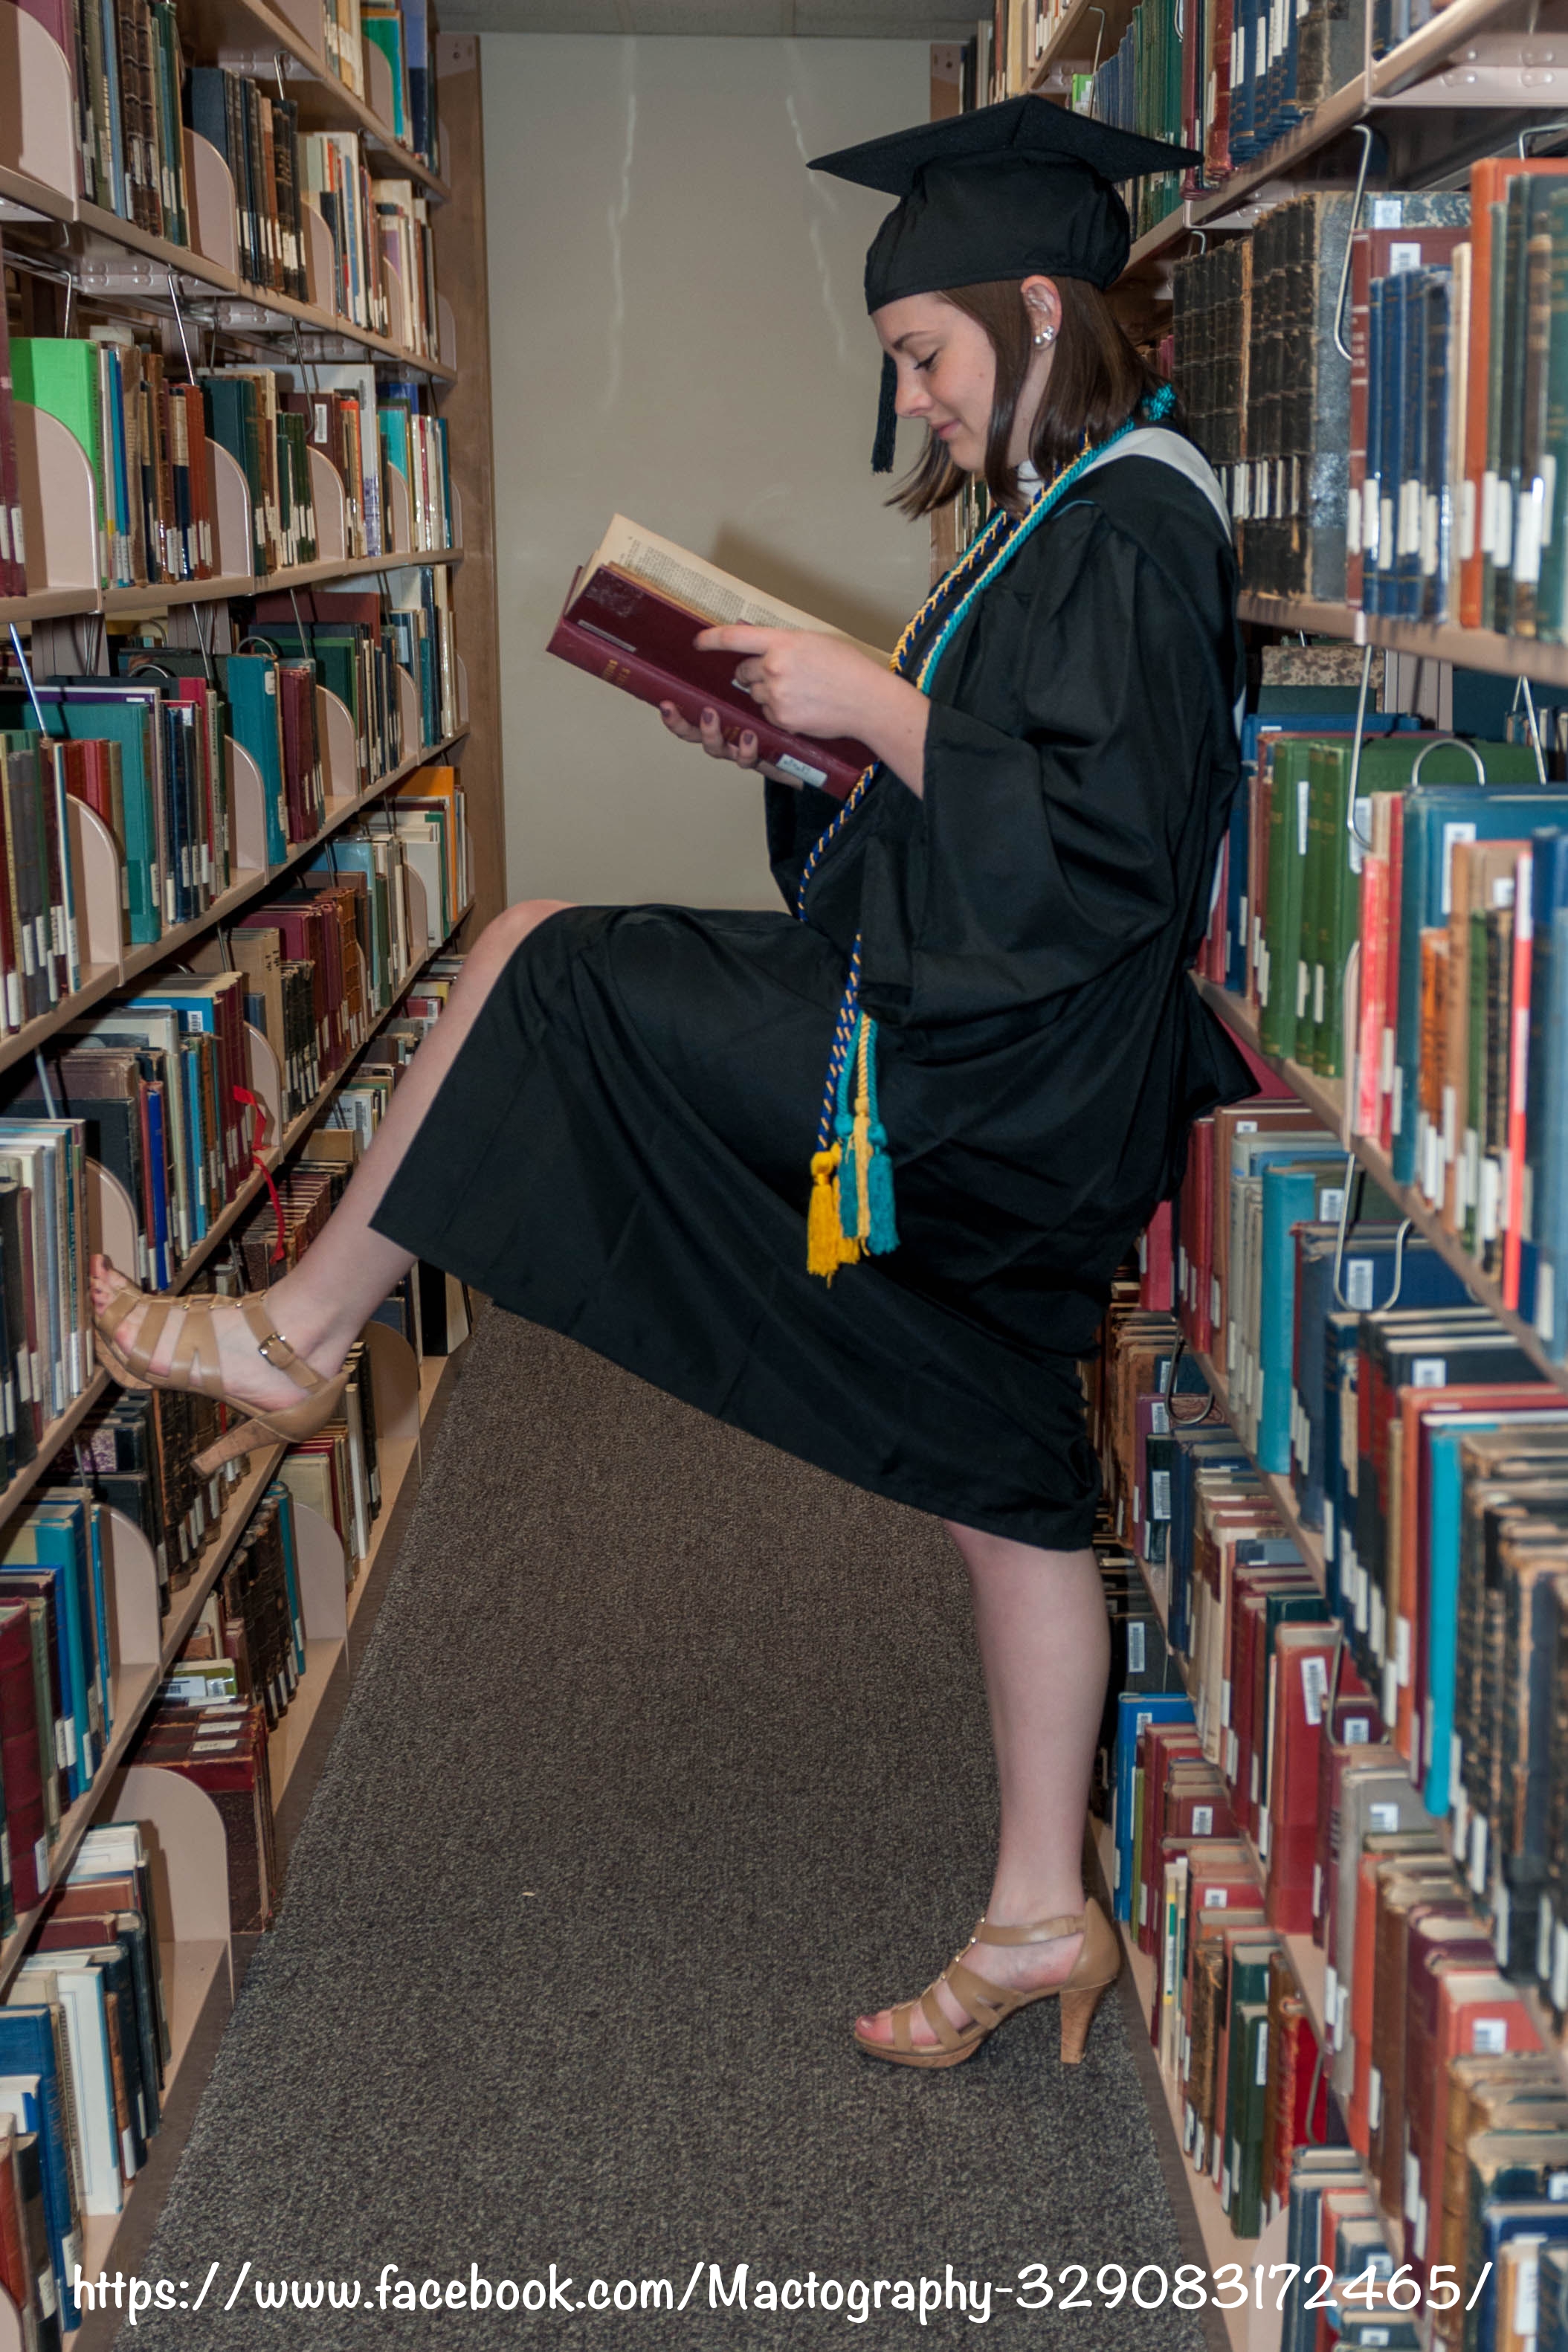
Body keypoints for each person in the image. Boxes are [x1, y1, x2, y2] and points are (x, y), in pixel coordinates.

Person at [88, 94, 1251, 2072]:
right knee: (1008, 1478)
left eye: (925, 356)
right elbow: (985, 810)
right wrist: (812, 753)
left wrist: (880, 706)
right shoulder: (1071, 518)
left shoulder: (1136, 525)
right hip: (1007, 1078)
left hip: (984, 1080)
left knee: (545, 955)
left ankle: (298, 1329)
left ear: (1038, 312)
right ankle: (1043, 1912)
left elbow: (1110, 862)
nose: (919, 400)